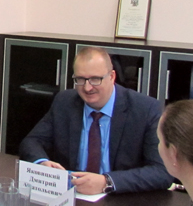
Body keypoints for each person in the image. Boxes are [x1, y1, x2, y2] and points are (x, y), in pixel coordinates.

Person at [19, 46, 173, 194]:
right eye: (80, 79)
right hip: (72, 195)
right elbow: (32, 141)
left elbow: (161, 172)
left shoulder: (145, 109)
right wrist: (42, 163)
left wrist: (107, 182)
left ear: (112, 77)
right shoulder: (64, 102)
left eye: (95, 79)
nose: (87, 88)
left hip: (120, 199)